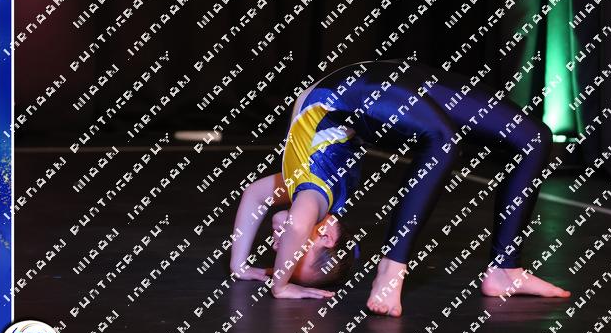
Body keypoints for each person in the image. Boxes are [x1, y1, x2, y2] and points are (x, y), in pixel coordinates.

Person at [229, 57, 570, 317]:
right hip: (377, 86)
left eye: (284, 256)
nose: (278, 246)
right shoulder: (315, 196)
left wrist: (250, 271)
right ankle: (504, 270)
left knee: (468, 139)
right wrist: (279, 281)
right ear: (328, 234)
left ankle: (396, 270)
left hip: (356, 86)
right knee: (532, 138)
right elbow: (295, 220)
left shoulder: (301, 189)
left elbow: (255, 196)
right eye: (292, 252)